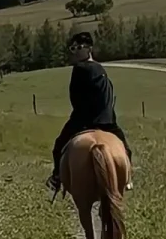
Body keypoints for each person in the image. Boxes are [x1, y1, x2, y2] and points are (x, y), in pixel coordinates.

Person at [47, 32, 133, 193]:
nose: (75, 52)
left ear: (89, 49)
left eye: (78, 48)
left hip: (84, 120)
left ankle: (57, 177)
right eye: (73, 48)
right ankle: (127, 178)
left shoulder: (79, 69)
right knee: (126, 149)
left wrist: (81, 116)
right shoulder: (101, 68)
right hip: (108, 121)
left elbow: (75, 98)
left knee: (58, 146)